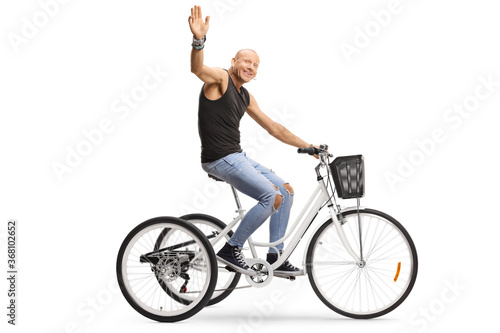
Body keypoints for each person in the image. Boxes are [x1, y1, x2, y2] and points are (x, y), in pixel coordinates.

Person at [189, 5, 317, 277]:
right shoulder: (221, 78)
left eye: (256, 65)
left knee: (287, 191)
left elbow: (274, 128)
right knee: (271, 195)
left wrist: (309, 146)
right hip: (219, 159)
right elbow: (198, 69)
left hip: (237, 157)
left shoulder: (246, 96)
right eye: (247, 61)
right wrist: (199, 40)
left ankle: (276, 256)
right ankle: (231, 248)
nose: (251, 67)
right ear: (234, 61)